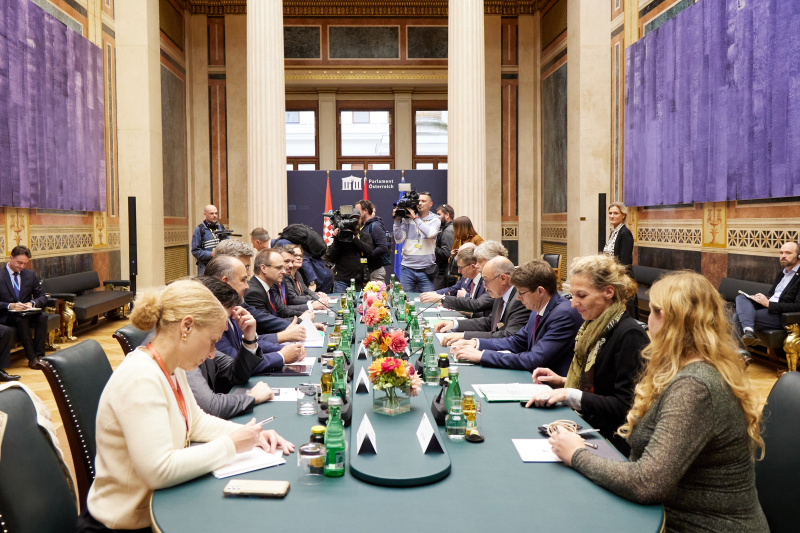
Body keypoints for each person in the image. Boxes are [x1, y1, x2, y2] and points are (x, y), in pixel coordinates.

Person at [549, 271, 768, 532]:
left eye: (651, 311)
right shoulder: (689, 370)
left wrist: (576, 454)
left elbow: (647, 483)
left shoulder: (694, 385)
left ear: (666, 318)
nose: (646, 321)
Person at [77, 279, 294, 532]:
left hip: (154, 511)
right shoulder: (140, 377)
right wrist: (232, 445)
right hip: (122, 525)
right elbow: (158, 469)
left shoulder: (171, 367)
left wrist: (250, 434)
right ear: (187, 326)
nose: (213, 353)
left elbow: (197, 422)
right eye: (212, 341)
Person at [526, 254, 649, 455]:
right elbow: (601, 384)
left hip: (611, 441)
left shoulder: (629, 334)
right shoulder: (592, 327)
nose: (573, 304)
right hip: (588, 428)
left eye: (581, 296)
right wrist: (562, 381)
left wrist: (570, 394)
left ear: (608, 292)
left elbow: (625, 406)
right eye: (572, 295)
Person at [452, 260, 583, 374]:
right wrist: (477, 343)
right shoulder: (537, 308)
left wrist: (482, 356)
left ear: (540, 291)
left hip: (553, 387)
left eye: (521, 293)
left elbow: (534, 359)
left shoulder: (563, 315)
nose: (518, 298)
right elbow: (516, 341)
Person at [187, 277, 274, 419]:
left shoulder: (199, 340)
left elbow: (236, 374)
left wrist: (249, 338)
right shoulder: (179, 350)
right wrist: (252, 397)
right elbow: (210, 406)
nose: (226, 327)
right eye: (223, 318)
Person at [205, 252, 307, 344]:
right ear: (225, 280)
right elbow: (234, 355)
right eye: (246, 267)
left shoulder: (239, 301)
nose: (249, 273)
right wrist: (281, 354)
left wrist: (300, 325)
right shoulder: (211, 314)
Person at [435, 257, 531, 345]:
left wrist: (465, 336)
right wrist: (455, 324)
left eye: (486, 281)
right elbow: (489, 323)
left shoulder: (519, 300)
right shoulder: (500, 294)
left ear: (503, 279)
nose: (485, 286)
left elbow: (508, 336)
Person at [733, 240, 800, 345]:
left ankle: (740, 351)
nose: (783, 256)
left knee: (738, 316)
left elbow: (798, 306)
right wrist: (763, 298)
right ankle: (748, 333)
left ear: (798, 255)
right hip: (768, 308)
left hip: (781, 315)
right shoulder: (782, 274)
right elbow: (773, 294)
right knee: (741, 298)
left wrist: (769, 304)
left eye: (788, 253)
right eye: (781, 253)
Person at [0, 245, 49, 369]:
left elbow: (42, 296)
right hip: (7, 314)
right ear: (11, 258)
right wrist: (10, 305)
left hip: (27, 312)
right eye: (19, 263)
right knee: (21, 319)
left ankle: (40, 356)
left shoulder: (29, 274)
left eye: (25, 264)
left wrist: (32, 304)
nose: (21, 266)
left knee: (42, 316)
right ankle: (32, 359)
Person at [393, 191, 441, 292]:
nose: (420, 203)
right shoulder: (407, 218)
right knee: (404, 301)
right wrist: (397, 221)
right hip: (407, 269)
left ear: (430, 204)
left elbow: (430, 234)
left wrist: (415, 218)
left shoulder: (435, 219)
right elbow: (398, 240)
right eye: (418, 201)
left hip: (426, 269)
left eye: (423, 201)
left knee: (427, 302)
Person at [323, 211, 374, 293]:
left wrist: (354, 239)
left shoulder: (365, 236)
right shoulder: (341, 237)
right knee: (341, 304)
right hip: (341, 281)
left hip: (359, 281)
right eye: (353, 219)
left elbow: (370, 250)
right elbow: (330, 257)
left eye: (357, 218)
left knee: (358, 305)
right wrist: (336, 239)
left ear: (361, 219)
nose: (356, 221)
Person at [603, 201, 637, 318]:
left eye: (616, 213)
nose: (612, 216)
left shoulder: (625, 234)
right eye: (610, 213)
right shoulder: (614, 232)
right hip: (612, 276)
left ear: (623, 215)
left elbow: (624, 261)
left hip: (622, 278)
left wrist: (616, 278)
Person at [355, 200, 389, 283]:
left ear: (366, 211)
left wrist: (366, 258)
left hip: (375, 272)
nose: (356, 214)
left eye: (358, 211)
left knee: (377, 296)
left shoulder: (376, 226)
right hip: (366, 271)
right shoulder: (363, 227)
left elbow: (383, 247)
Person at [191, 205, 228, 275]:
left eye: (216, 213)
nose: (214, 216)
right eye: (212, 213)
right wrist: (211, 254)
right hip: (205, 267)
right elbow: (195, 251)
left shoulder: (222, 228)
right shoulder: (199, 229)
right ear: (205, 214)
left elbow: (228, 245)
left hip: (220, 266)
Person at [434, 204, 454, 289]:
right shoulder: (449, 228)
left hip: (445, 273)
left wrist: (434, 249)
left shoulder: (448, 230)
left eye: (439, 214)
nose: (437, 217)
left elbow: (446, 253)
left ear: (447, 215)